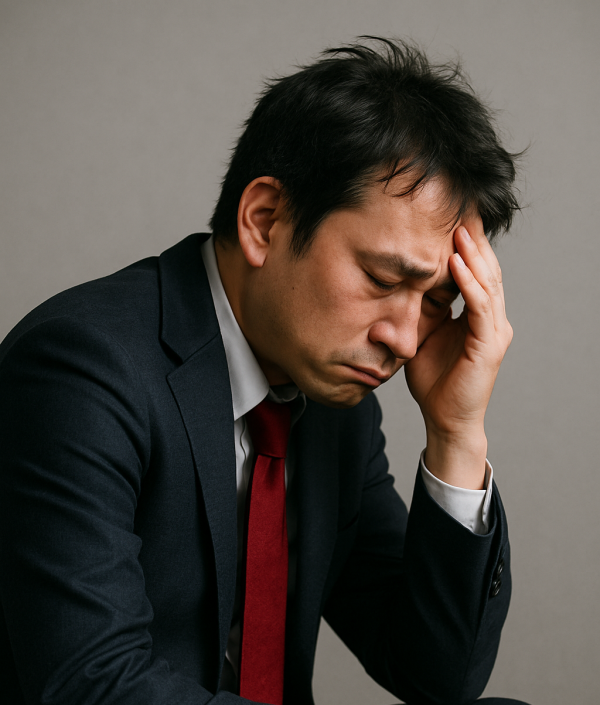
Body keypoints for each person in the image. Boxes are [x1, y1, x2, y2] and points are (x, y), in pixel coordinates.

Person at [0, 38, 529, 705]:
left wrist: (457, 435)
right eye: (382, 277)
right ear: (264, 220)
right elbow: (95, 686)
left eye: (434, 301)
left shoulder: (334, 408)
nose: (402, 338)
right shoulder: (81, 369)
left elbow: (437, 678)